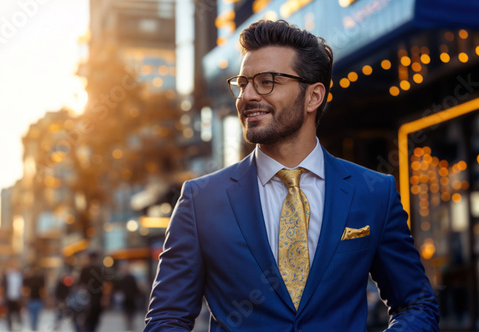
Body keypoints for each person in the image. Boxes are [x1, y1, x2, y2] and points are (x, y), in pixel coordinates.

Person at [144, 19, 439, 331]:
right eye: (243, 83)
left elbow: (416, 304)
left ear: (313, 96)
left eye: (267, 81)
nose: (247, 96)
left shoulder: (374, 192)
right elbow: (166, 319)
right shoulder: (200, 200)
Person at [113, 262, 140, 332]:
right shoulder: (131, 277)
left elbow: (116, 287)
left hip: (126, 297)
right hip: (131, 297)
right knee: (130, 311)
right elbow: (136, 288)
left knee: (127, 310)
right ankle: (130, 322)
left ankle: (128, 322)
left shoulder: (122, 278)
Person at [23, 265, 46, 331]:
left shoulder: (27, 279)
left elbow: (25, 290)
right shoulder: (41, 279)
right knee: (36, 316)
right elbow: (42, 290)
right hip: (37, 300)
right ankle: (34, 328)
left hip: (31, 300)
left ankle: (33, 328)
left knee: (32, 316)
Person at [3, 262, 24, 331]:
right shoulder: (6, 276)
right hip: (8, 297)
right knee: (9, 314)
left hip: (17, 298)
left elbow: (22, 287)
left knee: (18, 314)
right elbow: (3, 286)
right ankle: (10, 328)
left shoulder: (20, 276)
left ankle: (19, 327)